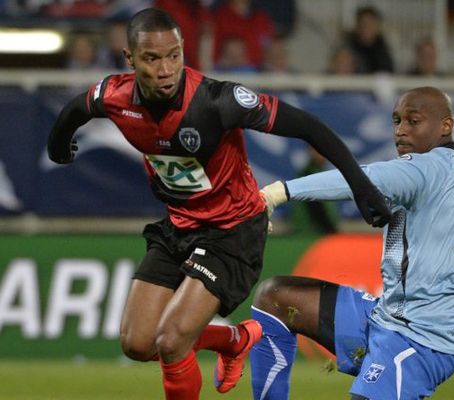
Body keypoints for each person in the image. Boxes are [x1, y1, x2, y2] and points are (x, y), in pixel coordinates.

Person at [46, 8, 391, 399]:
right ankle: (233, 340)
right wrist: (59, 145)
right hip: (178, 227)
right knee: (137, 344)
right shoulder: (115, 95)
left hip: (233, 231)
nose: (165, 69)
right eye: (152, 58)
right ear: (130, 59)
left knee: (173, 340)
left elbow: (310, 127)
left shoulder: (216, 101)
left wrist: (361, 187)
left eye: (173, 55)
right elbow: (78, 107)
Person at [253, 87, 454, 400]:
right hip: (384, 318)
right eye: (397, 121)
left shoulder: (424, 168)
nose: (401, 130)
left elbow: (362, 177)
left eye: (414, 121)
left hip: (420, 342)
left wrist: (278, 192)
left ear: (446, 126)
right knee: (276, 299)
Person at [344, 5, 394, 74]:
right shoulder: (347, 47)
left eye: (370, 24)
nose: (366, 28)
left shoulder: (384, 50)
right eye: (363, 24)